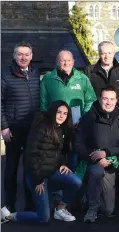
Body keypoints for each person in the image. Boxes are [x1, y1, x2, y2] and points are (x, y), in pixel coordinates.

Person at [1, 101, 82, 223]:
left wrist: (63, 163)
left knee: (76, 182)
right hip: (37, 178)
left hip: (51, 172)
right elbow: (31, 155)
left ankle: (60, 209)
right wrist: (38, 180)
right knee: (43, 217)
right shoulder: (41, 127)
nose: (61, 116)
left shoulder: (60, 128)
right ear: (52, 112)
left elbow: (58, 152)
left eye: (65, 114)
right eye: (59, 112)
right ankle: (10, 216)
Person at [74, 86, 119, 223]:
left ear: (116, 100)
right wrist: (95, 157)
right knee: (96, 172)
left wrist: (107, 153)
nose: (108, 102)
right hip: (93, 162)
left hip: (112, 162)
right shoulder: (89, 117)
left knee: (108, 210)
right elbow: (78, 143)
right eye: (105, 98)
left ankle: (88, 195)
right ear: (99, 99)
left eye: (112, 99)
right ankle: (91, 209)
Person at [1, 41, 39, 213]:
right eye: (20, 54)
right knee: (11, 169)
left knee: (30, 168)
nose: (23, 57)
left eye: (27, 54)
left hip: (32, 130)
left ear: (31, 56)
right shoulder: (5, 75)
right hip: (13, 130)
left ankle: (30, 206)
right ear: (14, 56)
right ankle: (9, 205)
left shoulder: (35, 72)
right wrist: (4, 127)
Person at [85, 41, 119, 112]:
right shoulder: (89, 71)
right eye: (103, 53)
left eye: (109, 53)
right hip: (97, 115)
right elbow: (85, 94)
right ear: (99, 54)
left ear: (114, 53)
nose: (107, 56)